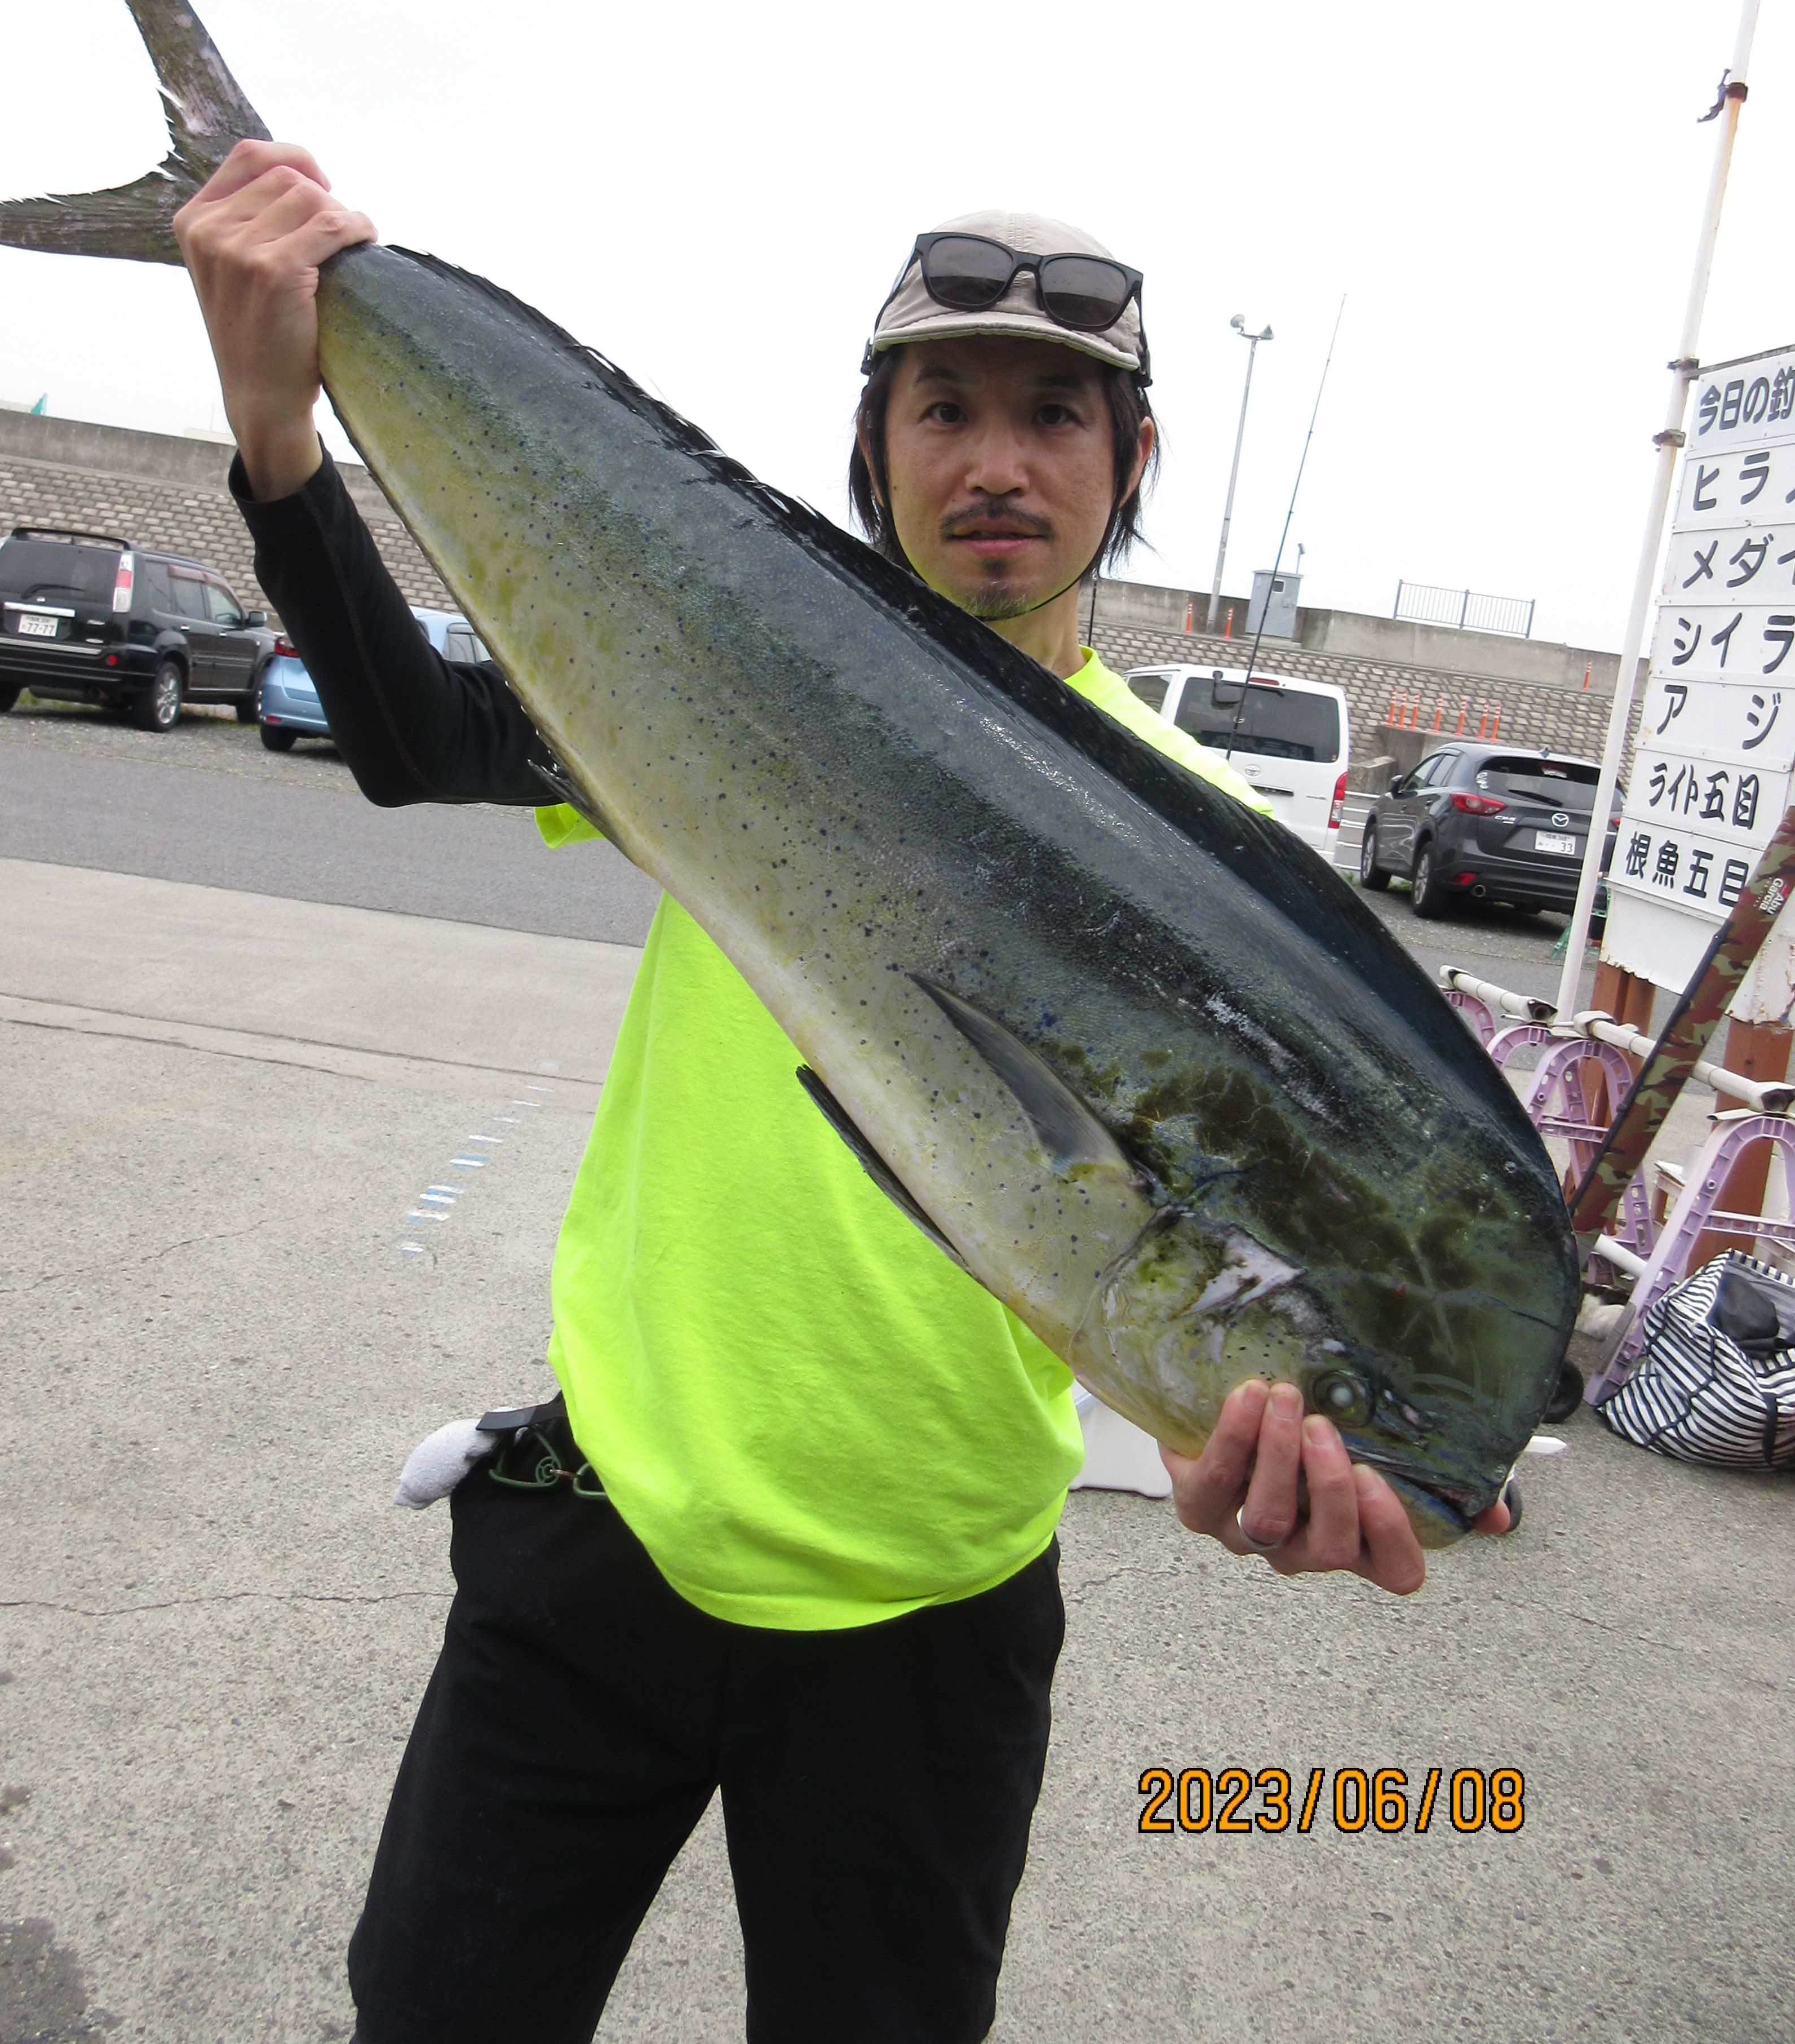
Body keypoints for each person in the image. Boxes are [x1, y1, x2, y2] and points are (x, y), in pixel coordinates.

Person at [175, 154, 1506, 2044]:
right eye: (942, 409)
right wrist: (278, 443)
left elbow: (1245, 1256)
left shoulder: (1208, 863)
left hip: (933, 1615)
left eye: (1056, 417)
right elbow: (413, 738)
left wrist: (1250, 1439)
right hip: (609, 1525)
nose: (996, 463)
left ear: (1133, 459)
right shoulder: (719, 690)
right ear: (872, 451)